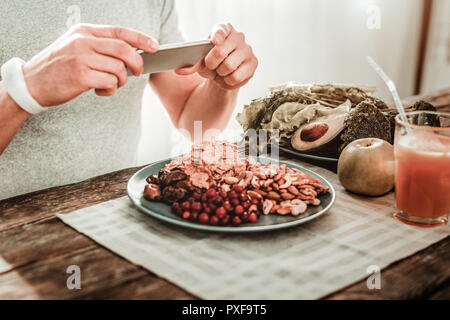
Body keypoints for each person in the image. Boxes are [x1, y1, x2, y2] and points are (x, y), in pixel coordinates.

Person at [0, 0, 258, 200]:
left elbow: (190, 118)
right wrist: (23, 89)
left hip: (115, 214)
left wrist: (223, 83)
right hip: (12, 231)